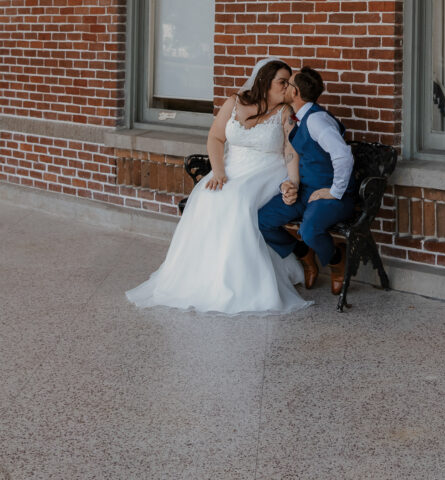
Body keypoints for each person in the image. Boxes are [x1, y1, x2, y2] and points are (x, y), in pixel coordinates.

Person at [125, 58, 312, 315]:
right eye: (282, 82)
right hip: (232, 166)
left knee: (236, 200)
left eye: (289, 83)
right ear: (264, 82)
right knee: (206, 195)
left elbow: (290, 150)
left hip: (267, 169)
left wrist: (292, 181)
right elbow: (215, 137)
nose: (287, 88)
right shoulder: (234, 102)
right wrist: (219, 172)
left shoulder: (284, 113)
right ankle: (204, 276)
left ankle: (240, 281)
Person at [258, 66, 355, 295]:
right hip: (306, 190)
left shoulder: (316, 121)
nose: (284, 87)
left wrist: (334, 191)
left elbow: (343, 155)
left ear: (295, 93)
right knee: (263, 220)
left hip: (333, 196)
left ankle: (336, 259)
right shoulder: (299, 118)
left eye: (288, 84)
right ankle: (303, 253)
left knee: (310, 229)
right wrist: (288, 183)